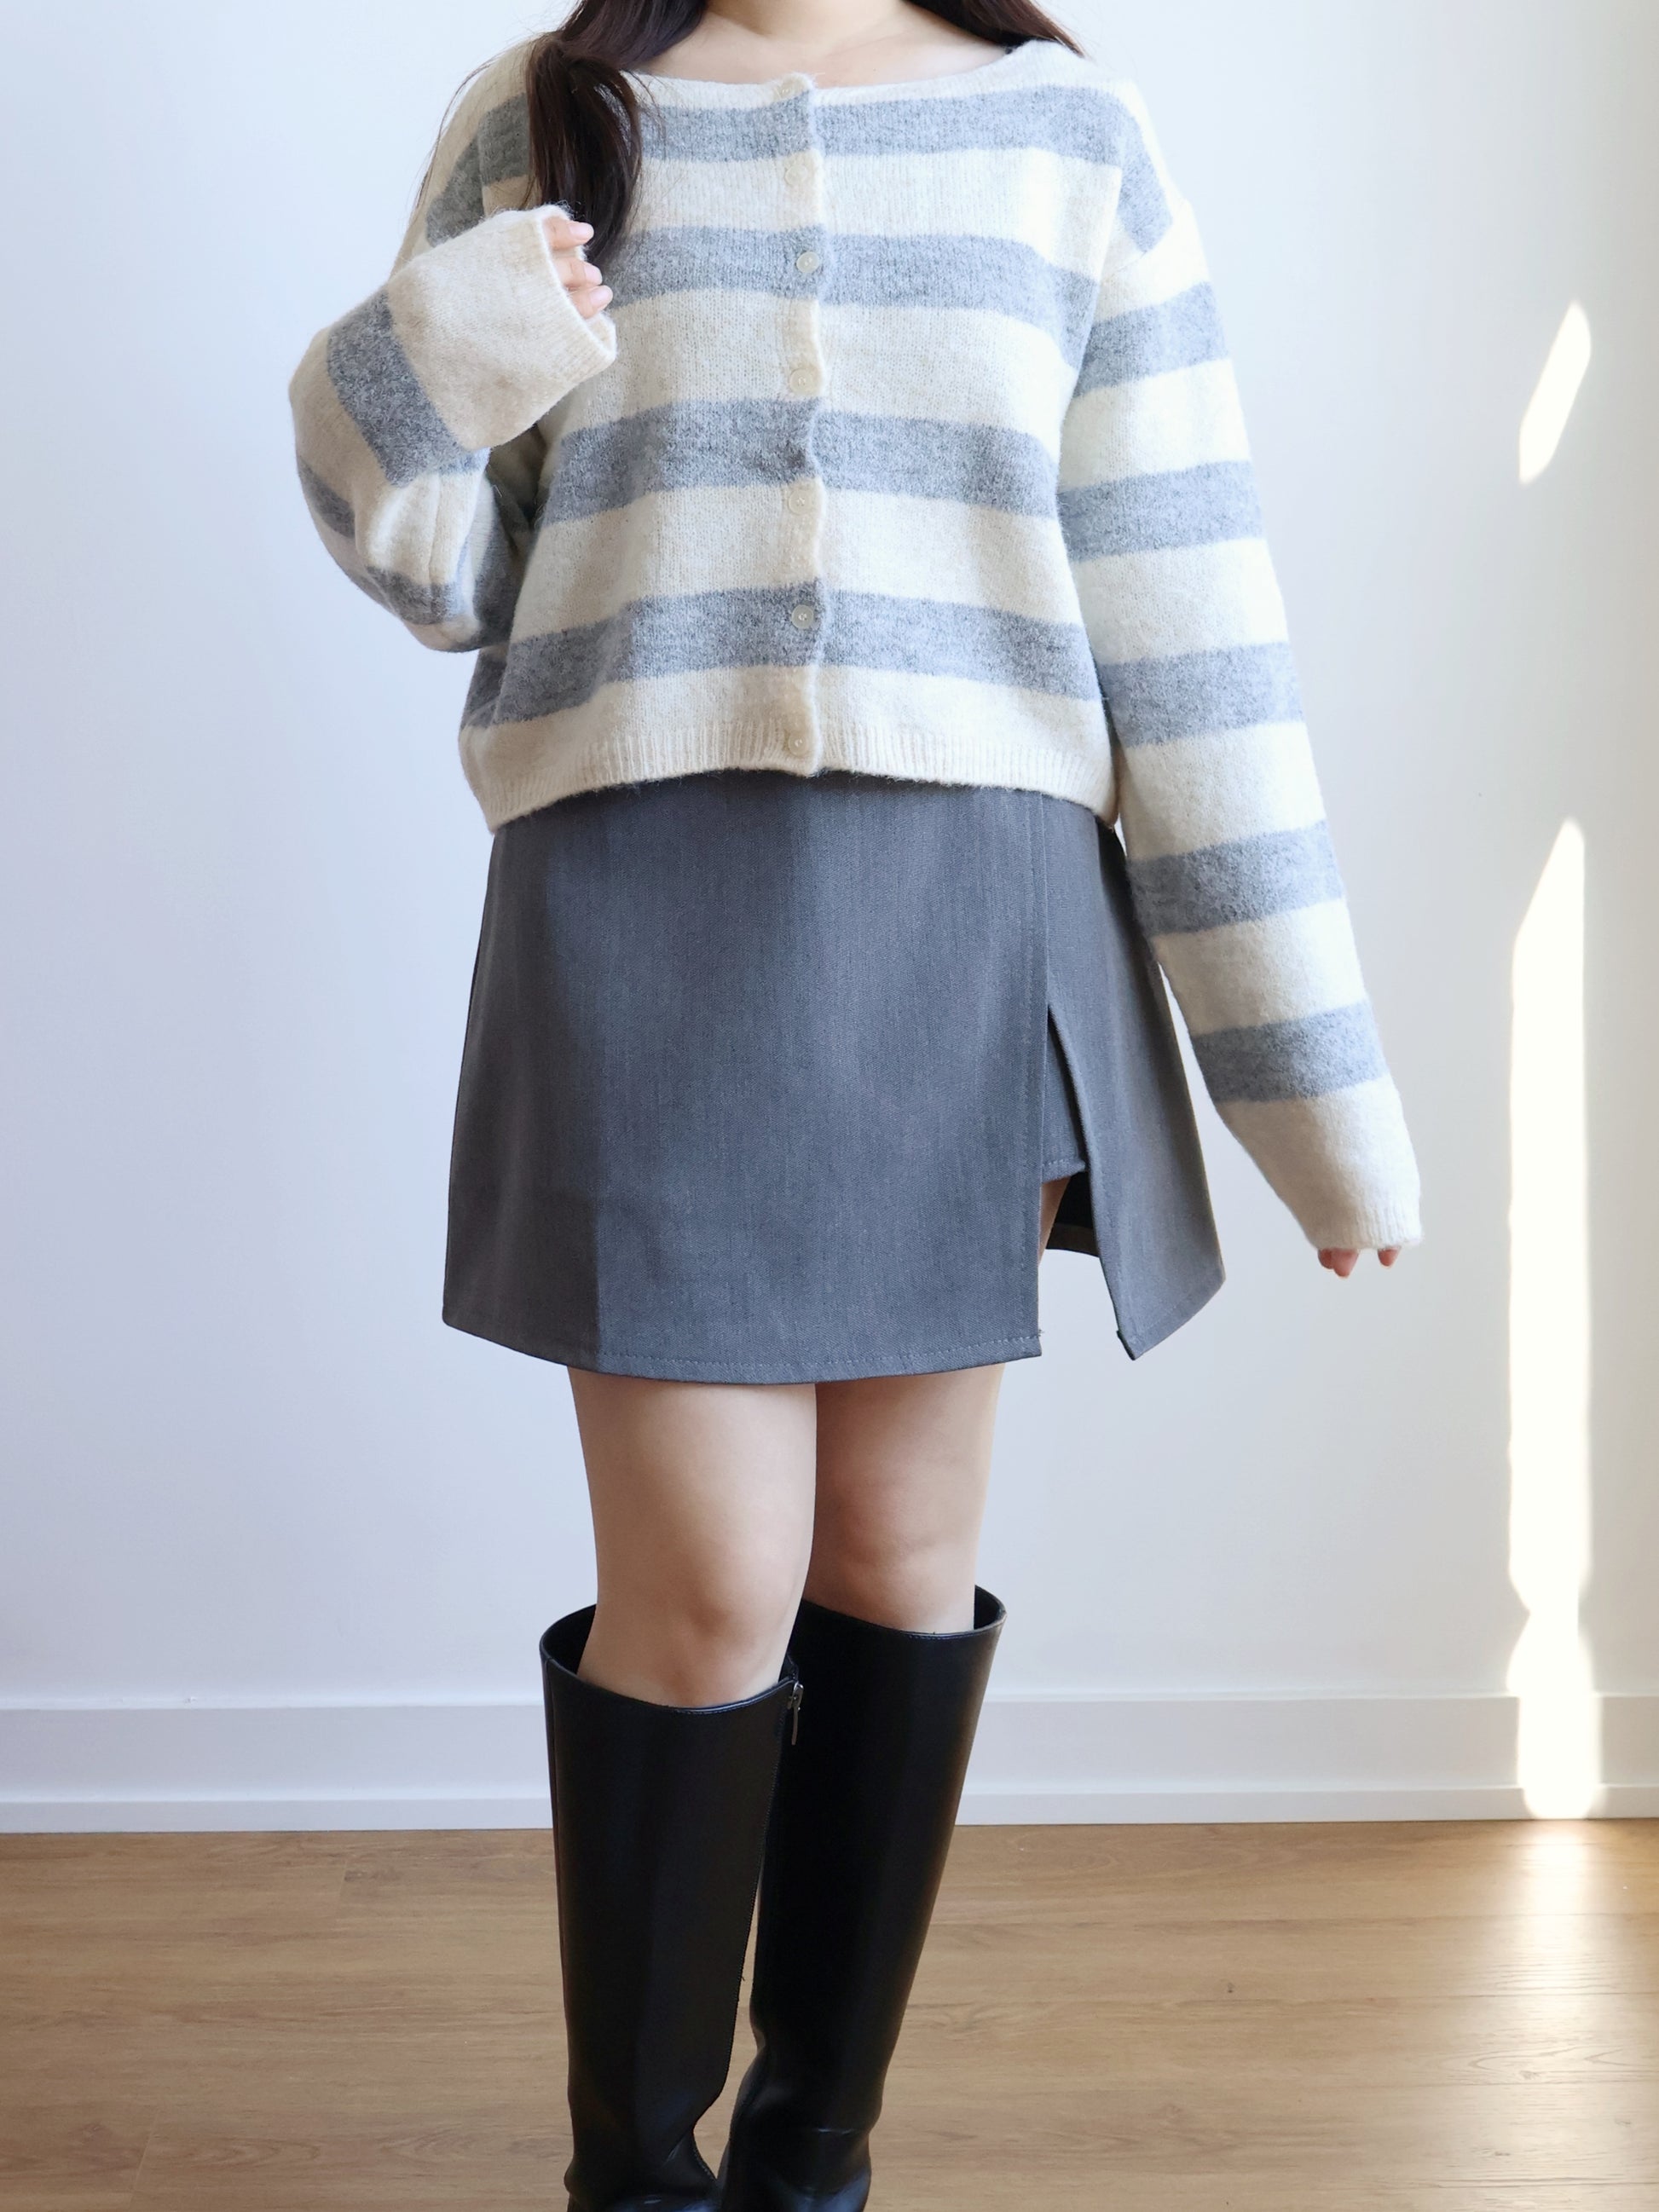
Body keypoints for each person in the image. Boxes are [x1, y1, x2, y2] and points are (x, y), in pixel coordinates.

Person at [288, 2, 1422, 2203]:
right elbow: (430, 565)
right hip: (640, 907)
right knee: (712, 1587)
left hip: (969, 919)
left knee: (900, 1567)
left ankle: (814, 2157)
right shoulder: (546, 117)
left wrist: (1313, 1089)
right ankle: (638, 2177)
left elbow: (1189, 622)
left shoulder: (1070, 137)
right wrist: (437, 348)